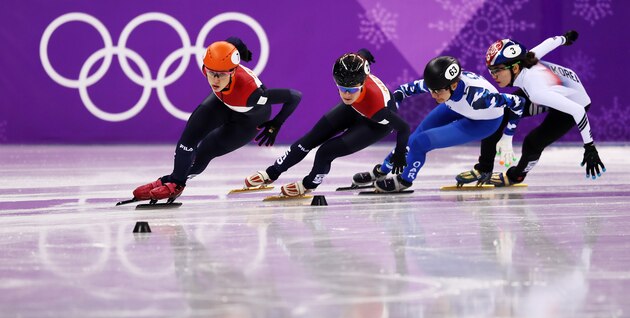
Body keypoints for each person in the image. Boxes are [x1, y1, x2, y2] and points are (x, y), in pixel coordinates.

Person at [132, 37, 301, 202]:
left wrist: (277, 123)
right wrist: (242, 50)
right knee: (188, 139)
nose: (215, 80)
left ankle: (175, 182)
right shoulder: (210, 65)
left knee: (206, 150)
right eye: (211, 73)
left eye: (220, 75)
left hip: (249, 119)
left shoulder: (252, 93)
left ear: (233, 71)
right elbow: (231, 42)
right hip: (222, 103)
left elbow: (294, 96)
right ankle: (176, 181)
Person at [242, 49, 410, 197]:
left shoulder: (378, 108)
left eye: (351, 90)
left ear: (363, 83)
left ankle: (309, 184)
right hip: (356, 108)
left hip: (376, 123)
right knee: (309, 140)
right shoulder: (355, 68)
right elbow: (361, 54)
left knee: (325, 152)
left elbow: (404, 127)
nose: (346, 94)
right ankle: (272, 173)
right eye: (341, 88)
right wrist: (365, 53)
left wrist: (400, 155)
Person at [352, 56, 526, 192]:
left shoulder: (479, 98)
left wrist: (507, 137)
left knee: (420, 143)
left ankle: (404, 180)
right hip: (457, 105)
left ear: (454, 84)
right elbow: (402, 91)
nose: (434, 96)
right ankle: (382, 170)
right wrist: (393, 106)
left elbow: (518, 102)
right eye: (431, 90)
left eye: (438, 91)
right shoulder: (440, 85)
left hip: (484, 122)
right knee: (412, 139)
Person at [455, 30, 605, 187]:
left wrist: (590, 147)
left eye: (498, 69)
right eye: (491, 70)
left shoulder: (536, 92)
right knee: (497, 112)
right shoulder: (527, 59)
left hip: (573, 103)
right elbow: (550, 41)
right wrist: (565, 38)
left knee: (533, 143)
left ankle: (516, 176)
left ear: (514, 69)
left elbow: (578, 111)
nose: (494, 75)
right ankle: (484, 168)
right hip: (554, 88)